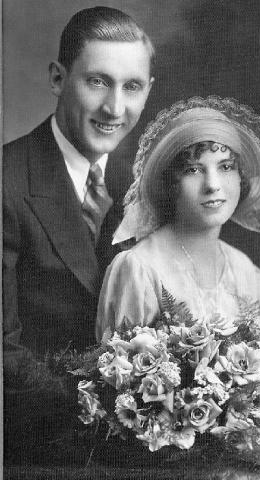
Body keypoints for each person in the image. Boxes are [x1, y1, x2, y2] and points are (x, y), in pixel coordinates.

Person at [96, 97, 260, 477]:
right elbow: (125, 412)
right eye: (193, 170)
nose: (213, 185)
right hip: (178, 465)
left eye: (225, 167)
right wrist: (255, 449)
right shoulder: (137, 268)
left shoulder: (246, 272)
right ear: (171, 181)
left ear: (241, 178)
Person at [3, 6, 154, 465]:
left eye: (132, 87)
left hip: (138, 445)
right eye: (97, 82)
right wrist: (111, 414)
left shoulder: (148, 185)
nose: (115, 109)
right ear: (57, 79)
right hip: (30, 449)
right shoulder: (7, 182)